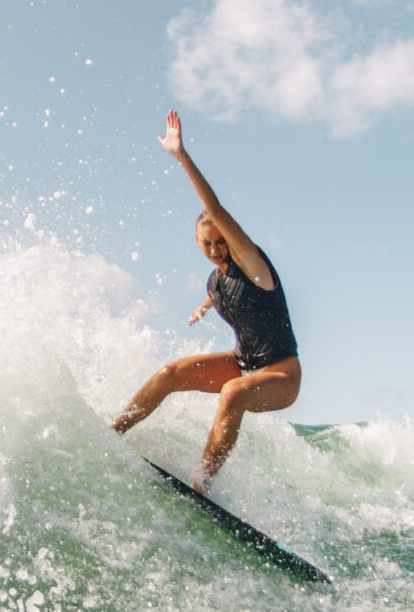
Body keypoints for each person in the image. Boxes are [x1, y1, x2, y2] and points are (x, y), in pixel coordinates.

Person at [112, 109, 301, 490]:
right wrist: (204, 305)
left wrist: (181, 156)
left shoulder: (253, 263)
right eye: (207, 243)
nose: (216, 249)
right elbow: (221, 294)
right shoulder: (216, 280)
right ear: (197, 243)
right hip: (243, 365)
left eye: (221, 241)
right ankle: (114, 430)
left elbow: (215, 210)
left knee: (232, 393)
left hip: (281, 375)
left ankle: (202, 484)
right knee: (172, 373)